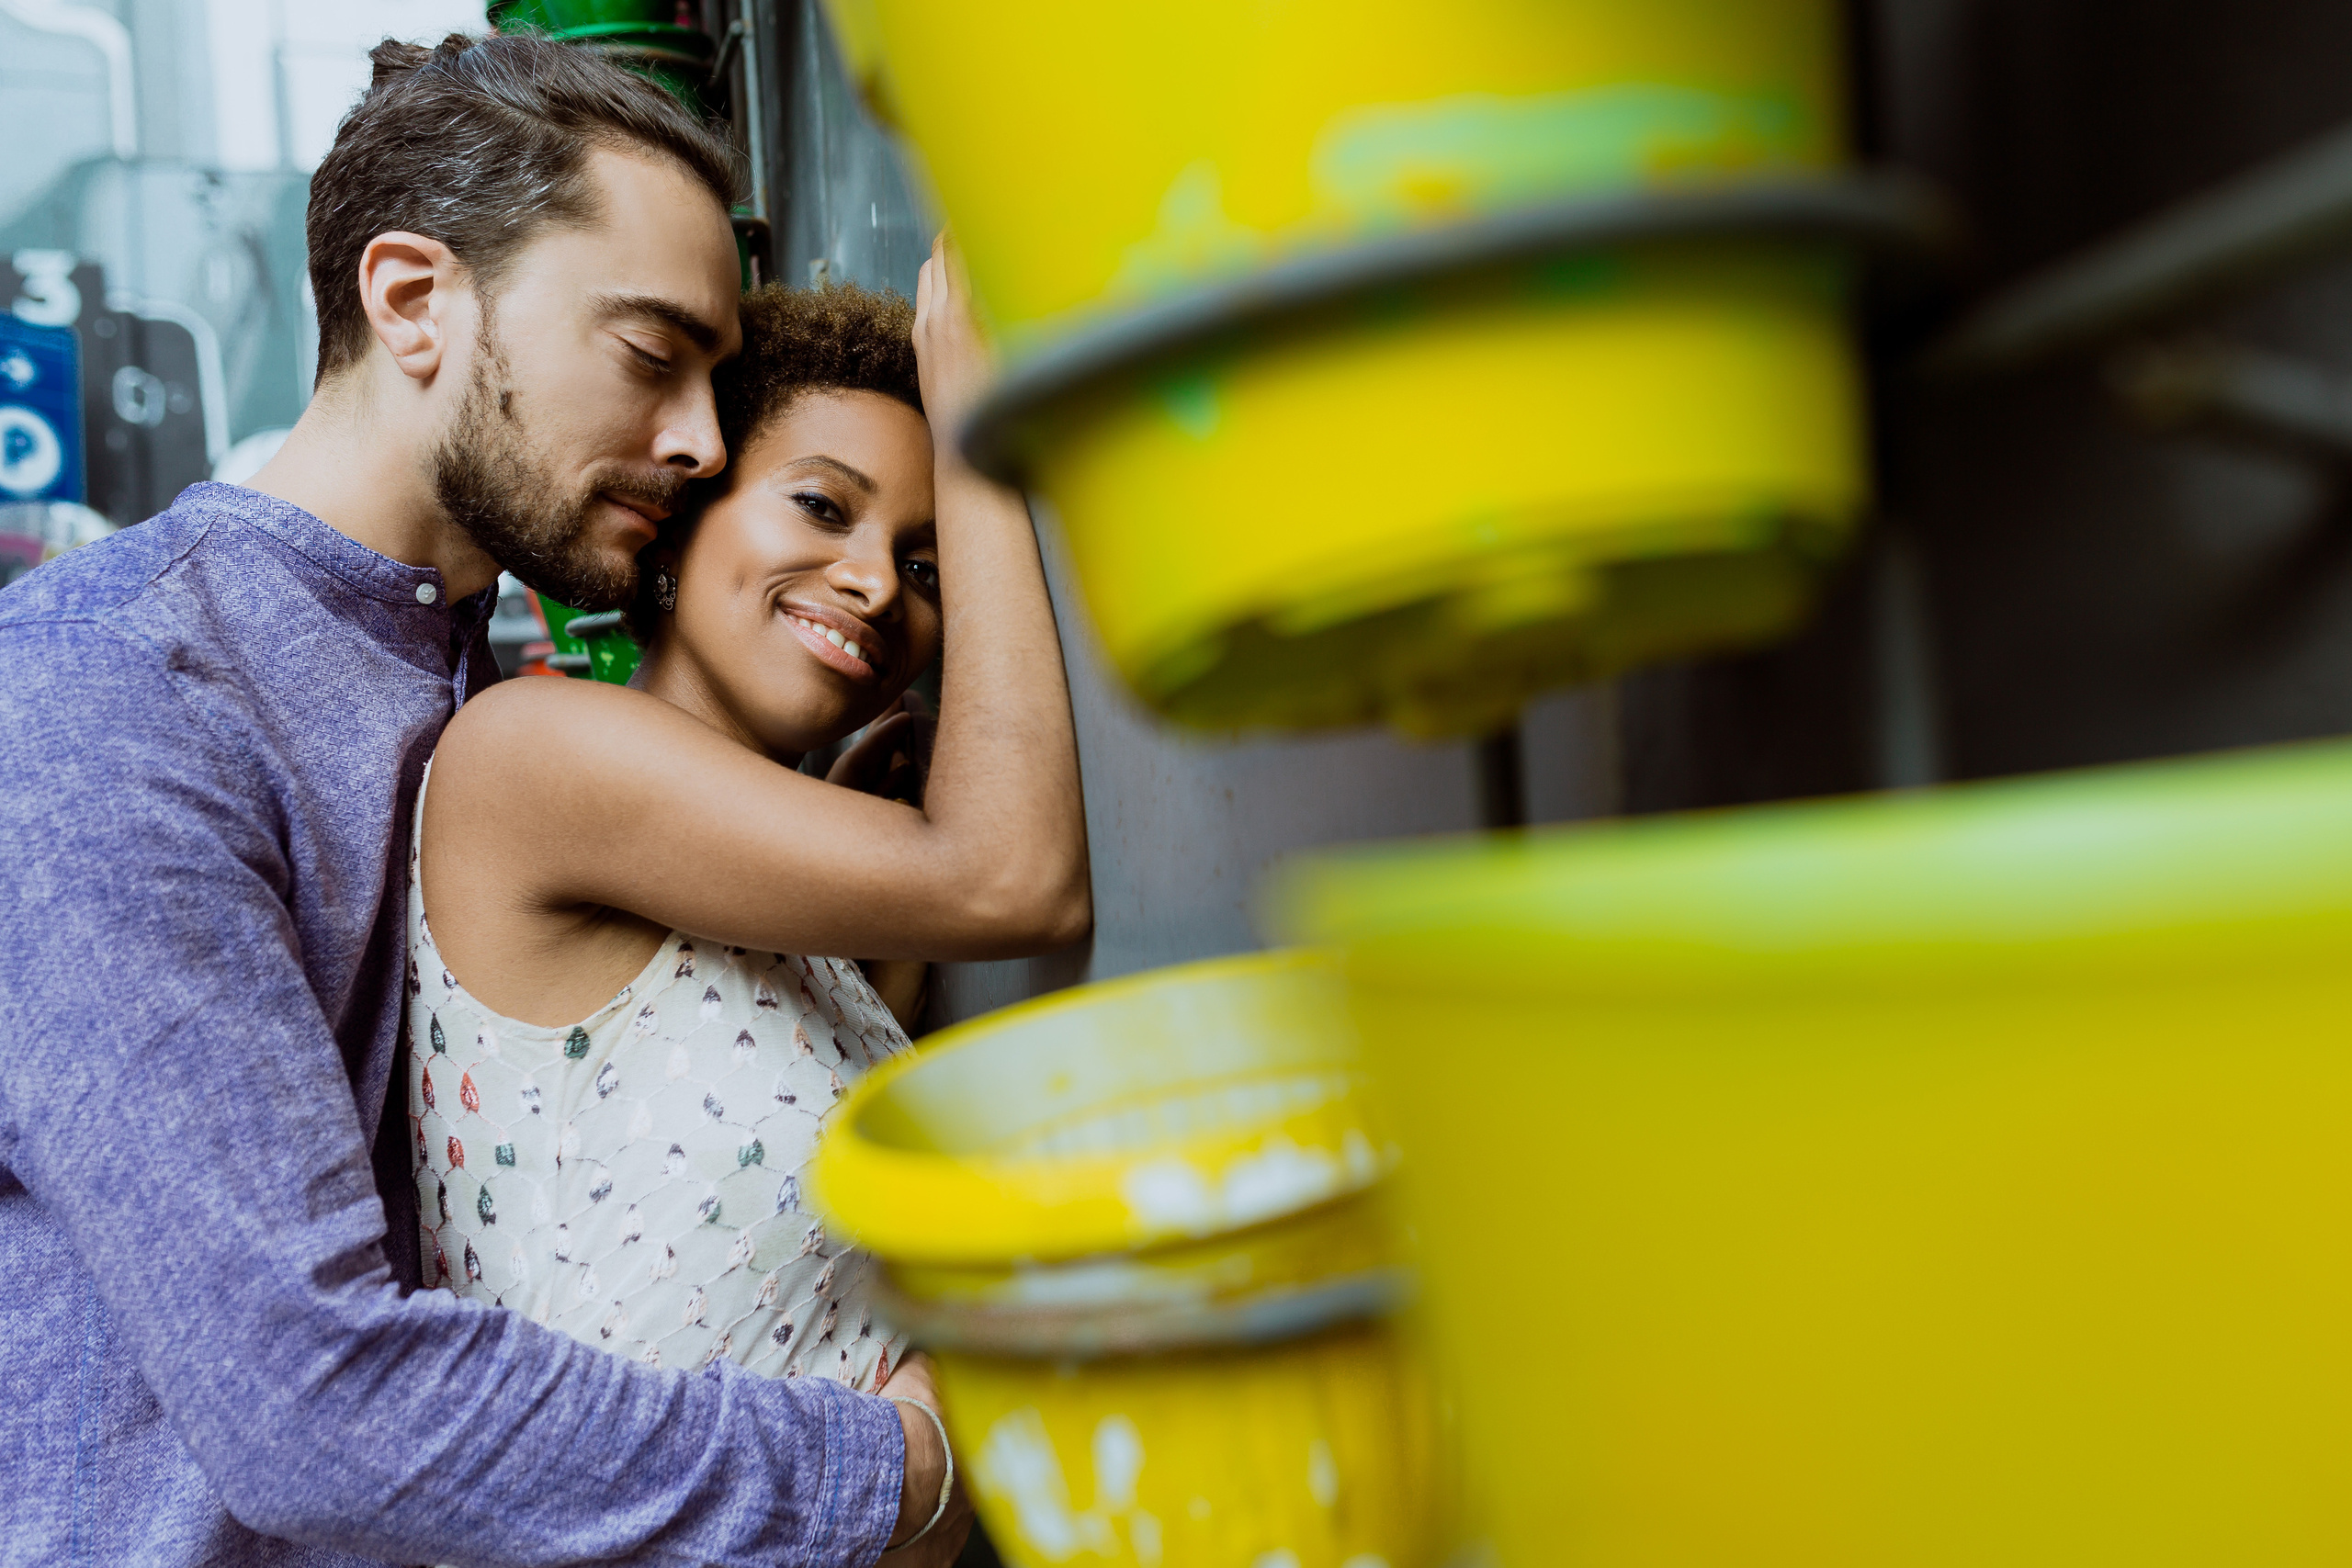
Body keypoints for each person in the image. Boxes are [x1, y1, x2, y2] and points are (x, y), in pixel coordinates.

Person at [0, 31, 1065, 1566]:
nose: (700, 440)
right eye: (651, 357)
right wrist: (891, 1473)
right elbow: (321, 1405)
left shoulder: (442, 686)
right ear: (414, 300)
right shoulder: (104, 700)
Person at [411, 250, 1087, 1564]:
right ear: (684, 525)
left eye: (929, 563)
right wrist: (980, 452)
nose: (877, 584)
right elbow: (1020, 880)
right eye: (822, 507)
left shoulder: (809, 939)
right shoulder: (533, 750)